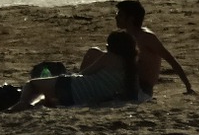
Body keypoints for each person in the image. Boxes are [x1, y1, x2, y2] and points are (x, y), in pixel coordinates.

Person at [81, 0, 194, 95]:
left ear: (131, 19)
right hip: (126, 80)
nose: (116, 17)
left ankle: (81, 83)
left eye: (120, 15)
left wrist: (188, 86)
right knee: (94, 53)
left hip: (141, 87)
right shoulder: (126, 36)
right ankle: (81, 84)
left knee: (99, 55)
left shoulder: (146, 37)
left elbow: (170, 59)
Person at [9, 30, 139, 111]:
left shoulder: (108, 57)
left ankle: (23, 104)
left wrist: (71, 75)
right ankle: (33, 105)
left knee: (32, 84)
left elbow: (85, 73)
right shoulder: (131, 69)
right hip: (79, 99)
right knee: (46, 95)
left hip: (73, 87)